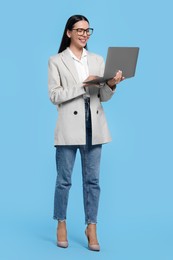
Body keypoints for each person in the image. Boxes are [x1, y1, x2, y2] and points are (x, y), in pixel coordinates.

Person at [48, 14, 124, 251]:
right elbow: (54, 96)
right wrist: (82, 85)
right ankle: (61, 223)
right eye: (79, 30)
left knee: (93, 182)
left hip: (95, 126)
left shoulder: (98, 60)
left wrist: (111, 85)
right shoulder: (56, 61)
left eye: (87, 30)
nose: (84, 34)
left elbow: (102, 97)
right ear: (69, 32)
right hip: (69, 129)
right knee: (64, 180)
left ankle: (91, 227)